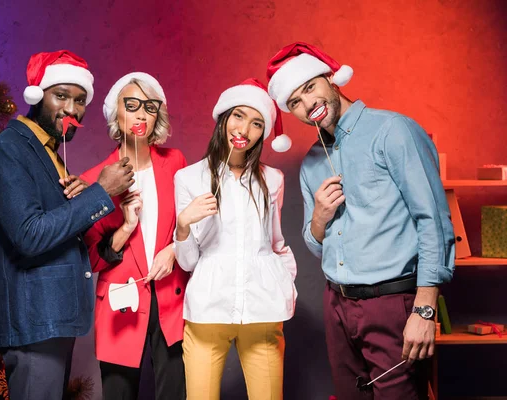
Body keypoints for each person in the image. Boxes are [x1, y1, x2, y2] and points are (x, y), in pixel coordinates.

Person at [266, 42, 455, 399]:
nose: (308, 104)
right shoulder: (311, 162)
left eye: (310, 88)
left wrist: (425, 309)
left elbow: (433, 219)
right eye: (295, 102)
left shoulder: (393, 131)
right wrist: (320, 216)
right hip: (337, 304)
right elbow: (314, 241)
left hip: (392, 302)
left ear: (330, 80)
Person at [0, 50, 134, 400]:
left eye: (80, 101)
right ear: (37, 95)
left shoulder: (48, 151)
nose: (71, 110)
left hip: (54, 318)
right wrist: (100, 193)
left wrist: (88, 206)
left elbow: (58, 231)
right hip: (35, 319)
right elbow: (29, 236)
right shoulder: (10, 149)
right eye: (60, 96)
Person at [174, 78, 296, 400]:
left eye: (256, 123)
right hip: (207, 312)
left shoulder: (272, 179)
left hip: (262, 310)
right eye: (238, 116)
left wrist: (286, 285)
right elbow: (188, 262)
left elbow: (276, 243)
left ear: (263, 132)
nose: (244, 129)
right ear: (223, 118)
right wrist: (183, 224)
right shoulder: (188, 178)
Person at [81, 72, 187, 399]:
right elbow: (94, 258)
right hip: (120, 304)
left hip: (172, 298)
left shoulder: (176, 163)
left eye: (150, 107)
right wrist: (126, 227)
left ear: (158, 116)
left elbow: (193, 226)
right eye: (132, 104)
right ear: (117, 113)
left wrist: (173, 248)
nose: (141, 113)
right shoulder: (93, 179)